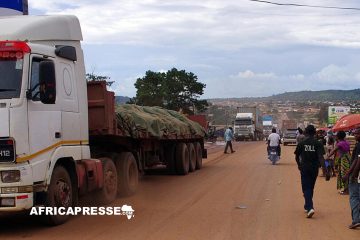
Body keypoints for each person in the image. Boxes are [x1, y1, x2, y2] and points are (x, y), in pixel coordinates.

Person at [294, 125, 325, 218]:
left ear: (306, 132)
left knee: (306, 188)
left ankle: (310, 207)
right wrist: (325, 170)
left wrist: (299, 165)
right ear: (315, 132)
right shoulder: (318, 143)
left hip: (304, 168)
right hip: (314, 169)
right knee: (310, 187)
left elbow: (296, 156)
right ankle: (307, 205)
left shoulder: (302, 143)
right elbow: (321, 157)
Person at [343, 128, 360, 229]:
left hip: (356, 176)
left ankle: (356, 220)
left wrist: (351, 174)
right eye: (354, 133)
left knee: (354, 197)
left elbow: (357, 162)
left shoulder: (358, 146)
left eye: (357, 133)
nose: (355, 135)